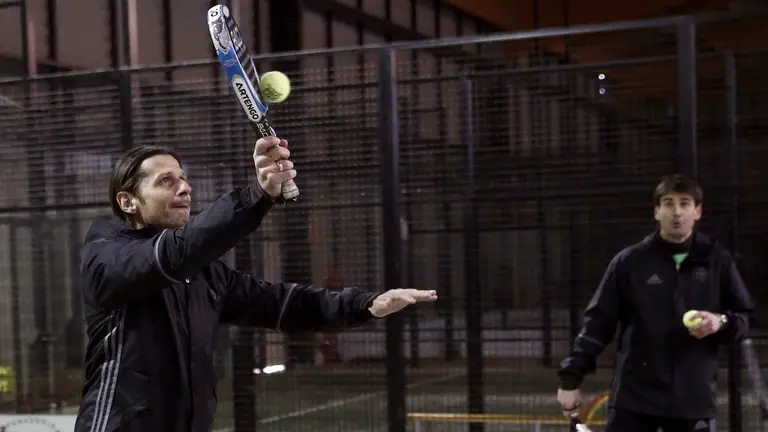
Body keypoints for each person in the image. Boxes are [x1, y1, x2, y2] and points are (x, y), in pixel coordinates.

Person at [74, 137, 437, 432]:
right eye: (166, 181)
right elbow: (173, 253)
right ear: (128, 201)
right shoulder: (106, 256)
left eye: (183, 178)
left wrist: (366, 304)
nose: (185, 188)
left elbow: (281, 303)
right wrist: (257, 195)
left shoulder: (203, 273)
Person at [556, 174, 754, 432]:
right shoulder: (629, 262)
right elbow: (597, 324)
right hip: (635, 399)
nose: (677, 212)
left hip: (693, 401)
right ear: (656, 211)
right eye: (669, 203)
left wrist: (720, 322)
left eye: (685, 204)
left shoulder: (718, 261)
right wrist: (570, 379)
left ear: (698, 212)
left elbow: (744, 317)